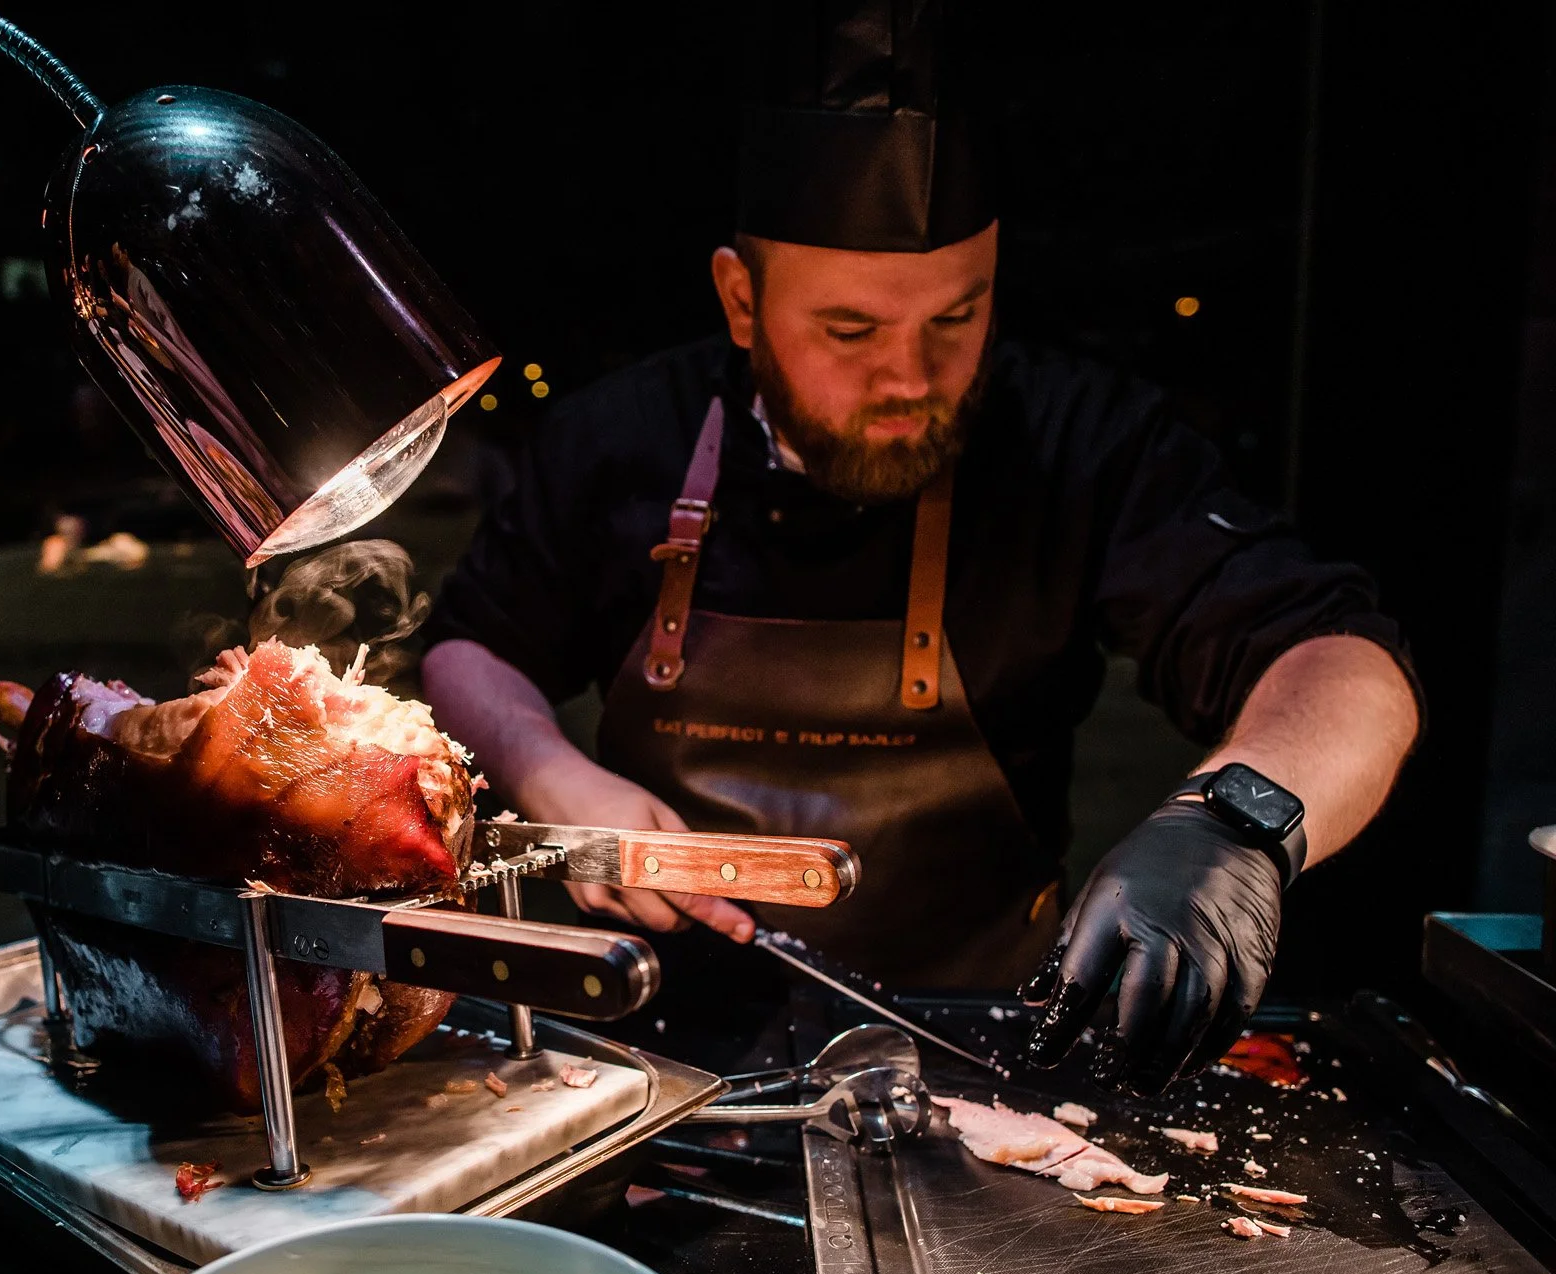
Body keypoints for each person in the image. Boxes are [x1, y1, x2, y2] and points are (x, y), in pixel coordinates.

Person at [418, 0, 1421, 1096]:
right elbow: (470, 648)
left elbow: (1340, 660)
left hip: (978, 1052)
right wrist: (546, 770)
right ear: (740, 300)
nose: (908, 377)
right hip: (654, 1044)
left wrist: (1235, 822)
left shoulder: (1078, 443)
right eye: (849, 330)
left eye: (957, 317)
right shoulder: (617, 440)